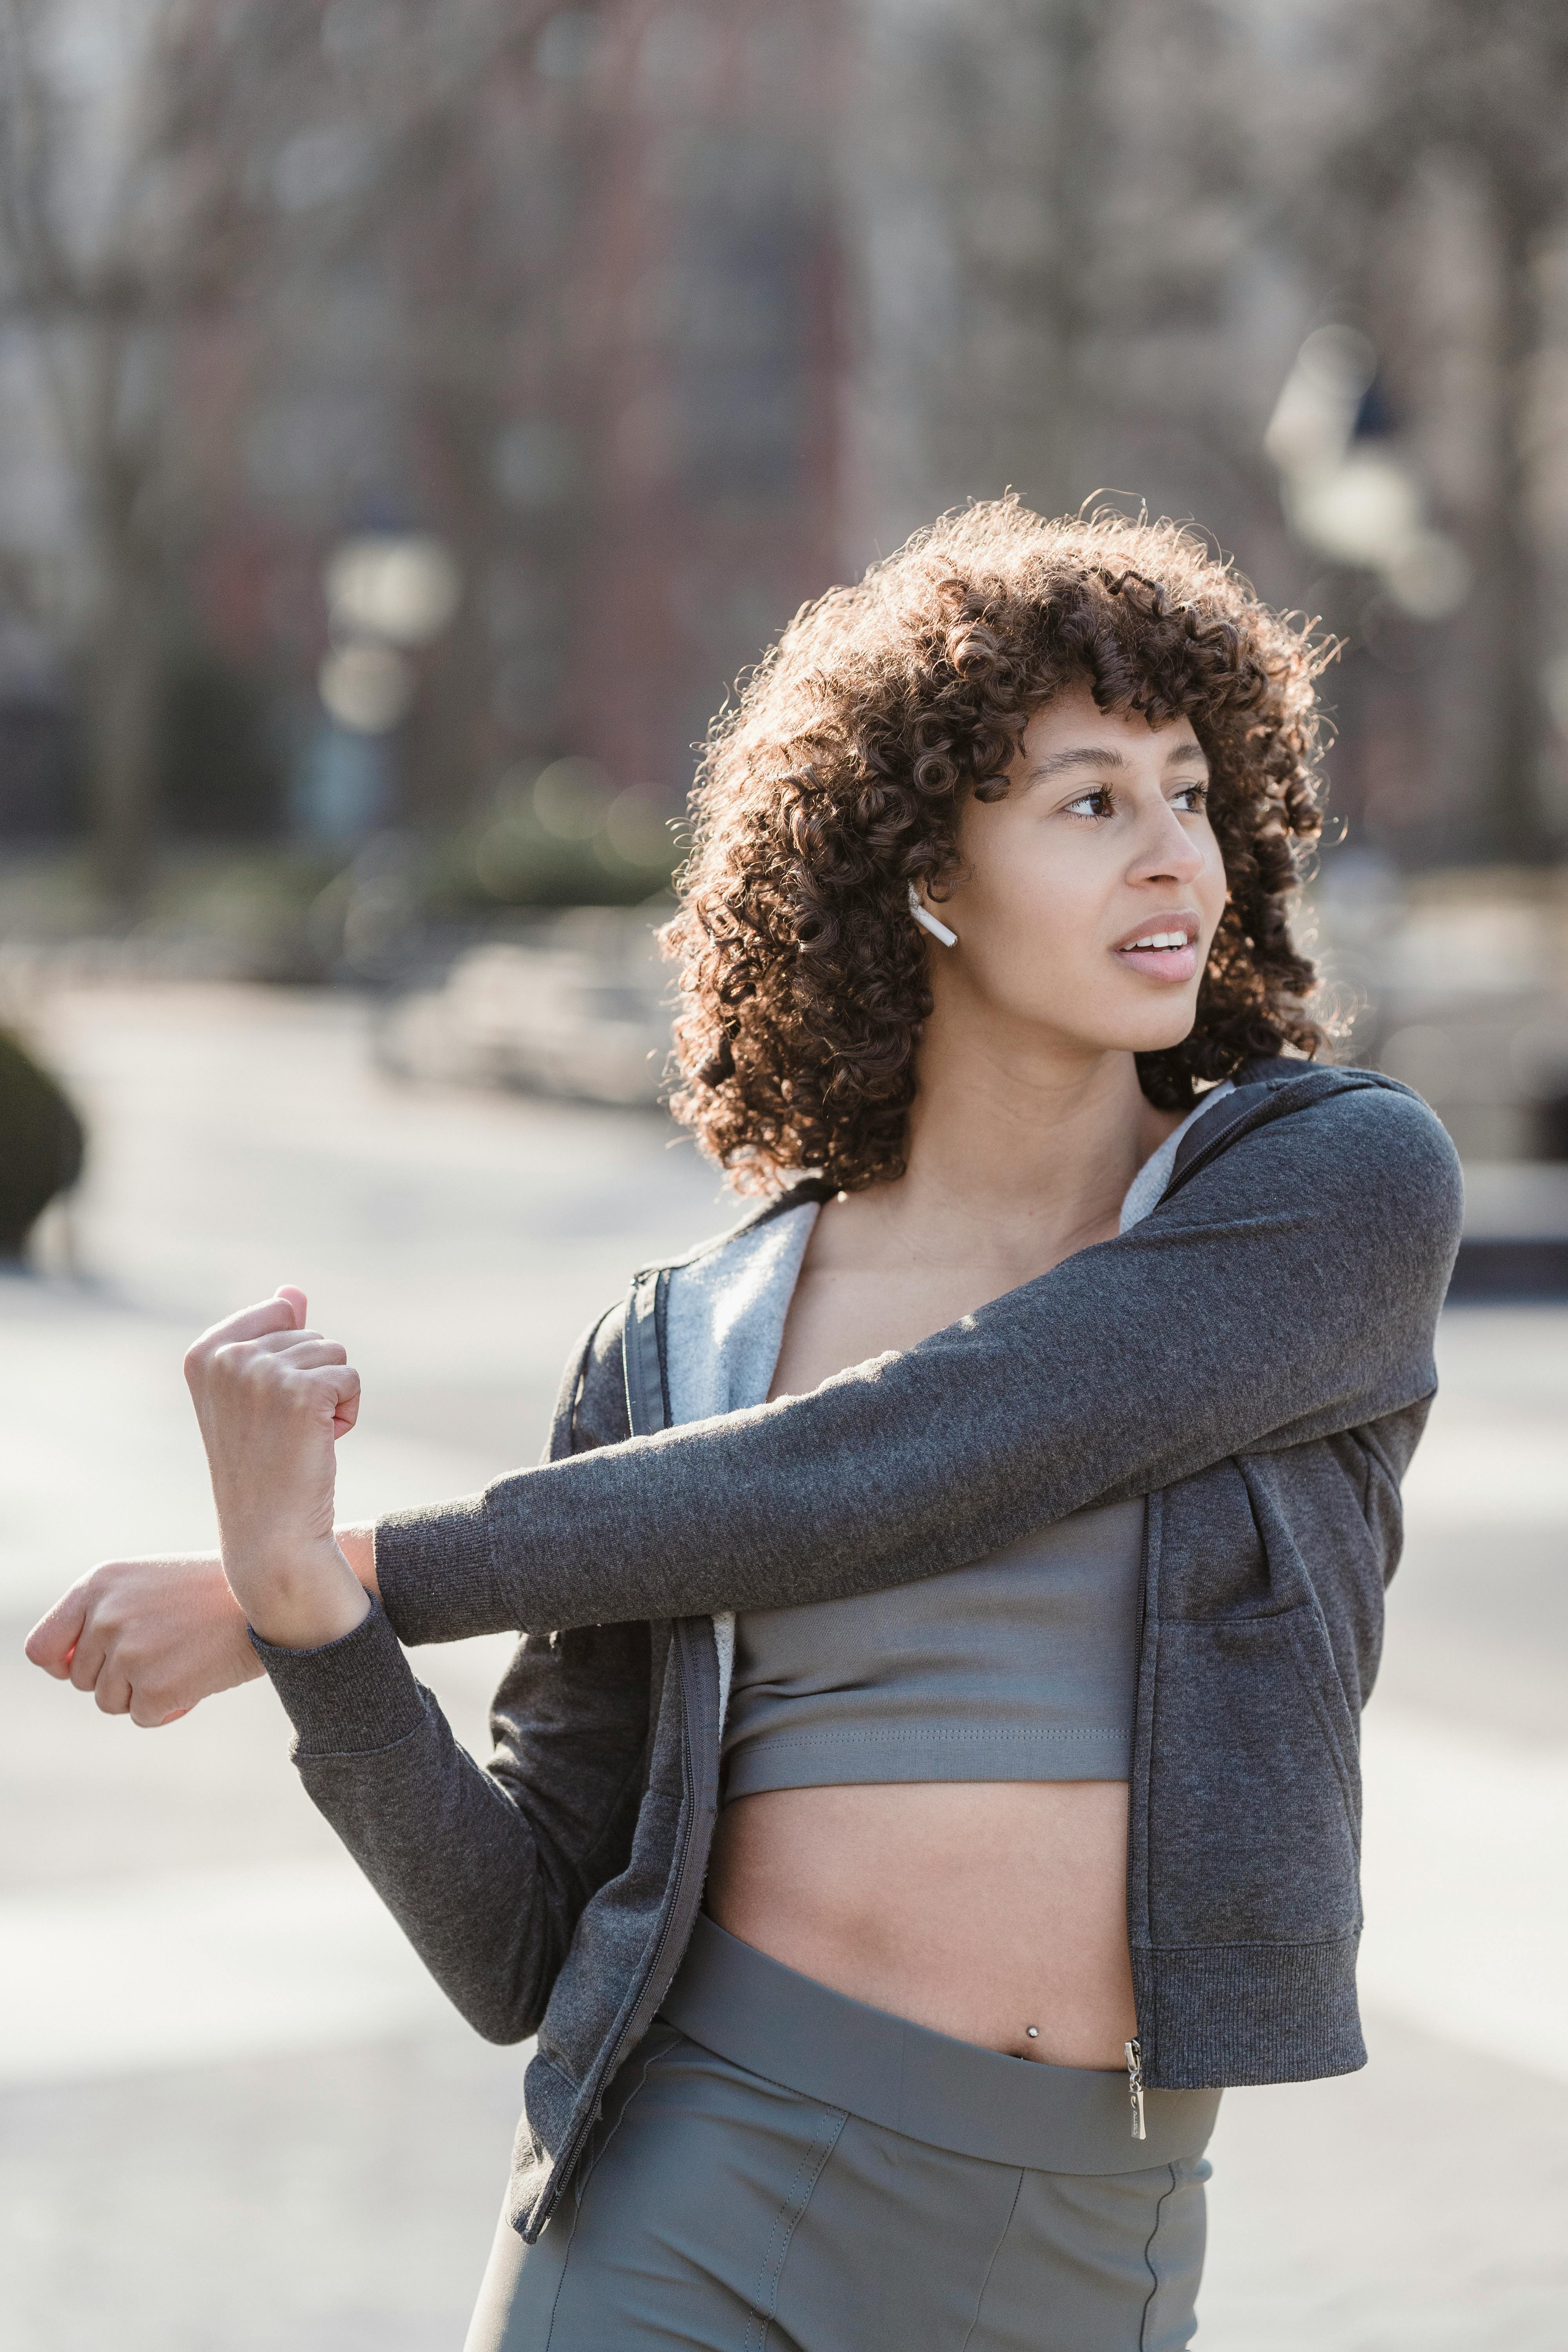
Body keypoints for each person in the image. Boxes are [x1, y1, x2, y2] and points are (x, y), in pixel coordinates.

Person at [28, 501, 1463, 2351]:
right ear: (921, 870)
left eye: (1191, 791)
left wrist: (383, 1565)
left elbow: (915, 1453)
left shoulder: (1322, 1200)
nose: (1172, 852)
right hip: (680, 2202)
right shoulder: (684, 1347)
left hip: (1081, 2249)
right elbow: (521, 1947)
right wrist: (308, 1617)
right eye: (1088, 801)